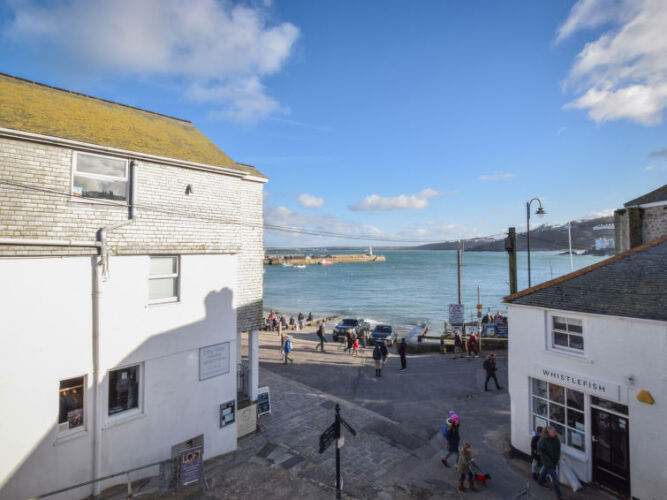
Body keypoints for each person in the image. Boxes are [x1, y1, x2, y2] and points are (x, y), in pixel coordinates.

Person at [536, 427, 563, 500]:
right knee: (555, 479)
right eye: (553, 432)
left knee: (545, 470)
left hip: (554, 461)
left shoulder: (555, 439)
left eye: (555, 432)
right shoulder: (543, 440)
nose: (555, 433)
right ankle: (559, 495)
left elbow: (558, 448)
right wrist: (548, 460)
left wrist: (557, 458)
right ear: (549, 433)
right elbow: (541, 451)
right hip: (547, 462)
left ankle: (540, 481)